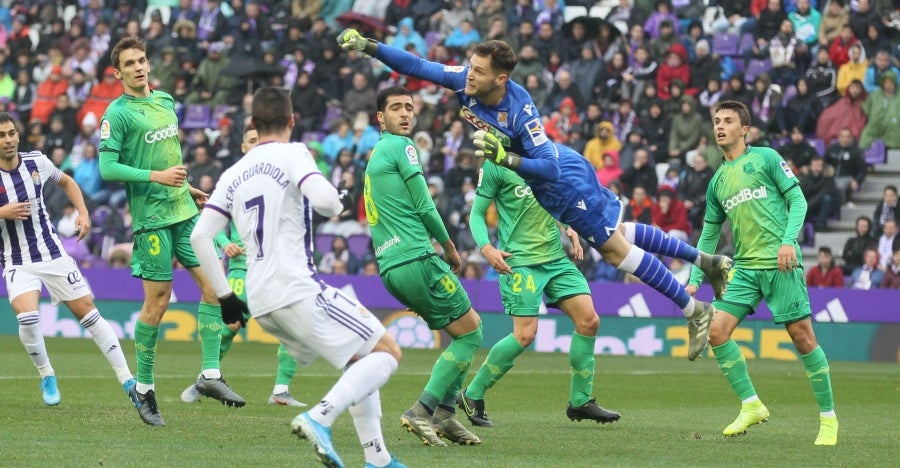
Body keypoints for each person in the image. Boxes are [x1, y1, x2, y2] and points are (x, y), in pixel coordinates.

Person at [337, 33, 733, 360]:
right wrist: (371, 47)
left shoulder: (521, 111)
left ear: (501, 79)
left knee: (613, 250)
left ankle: (694, 309)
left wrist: (505, 158)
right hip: (552, 186)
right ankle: (707, 260)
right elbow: (418, 66)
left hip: (563, 182)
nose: (467, 76)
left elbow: (550, 167)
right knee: (618, 232)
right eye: (470, 67)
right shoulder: (465, 80)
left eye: (478, 71)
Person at [190, 86, 406, 468]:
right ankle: (319, 417)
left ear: (253, 124)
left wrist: (225, 297)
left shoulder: (233, 173)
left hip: (259, 298)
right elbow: (326, 202)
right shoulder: (294, 153)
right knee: (387, 352)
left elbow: (200, 236)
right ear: (292, 121)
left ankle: (378, 458)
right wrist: (337, 197)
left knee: (360, 358)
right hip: (297, 288)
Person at [98, 37, 244, 427]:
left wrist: (185, 187)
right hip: (151, 221)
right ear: (118, 73)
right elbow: (107, 169)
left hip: (183, 210)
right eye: (130, 63)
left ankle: (211, 375)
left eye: (142, 60)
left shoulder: (165, 101)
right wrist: (157, 177)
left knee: (214, 287)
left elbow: (170, 158)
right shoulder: (118, 113)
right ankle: (143, 388)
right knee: (158, 304)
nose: (139, 67)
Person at [687, 100, 838, 445]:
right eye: (716, 120)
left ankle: (828, 419)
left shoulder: (767, 158)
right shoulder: (717, 182)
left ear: (745, 130)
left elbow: (798, 201)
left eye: (728, 120)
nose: (720, 126)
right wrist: (696, 278)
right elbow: (709, 235)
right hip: (745, 268)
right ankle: (751, 404)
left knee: (802, 338)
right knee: (717, 331)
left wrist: (788, 242)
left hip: (780, 262)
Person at [457, 149, 621, 428]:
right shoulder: (495, 165)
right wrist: (486, 248)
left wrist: (569, 226)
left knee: (589, 321)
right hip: (519, 262)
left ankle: (580, 401)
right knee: (525, 334)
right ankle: (472, 394)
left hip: (555, 258)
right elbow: (477, 214)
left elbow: (556, 197)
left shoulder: (543, 155)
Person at [364, 86, 483, 447]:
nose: (405, 114)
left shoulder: (376, 155)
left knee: (466, 330)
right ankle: (425, 410)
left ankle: (446, 415)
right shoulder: (403, 147)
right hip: (417, 257)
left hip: (391, 266)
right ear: (380, 118)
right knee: (472, 333)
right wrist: (450, 248)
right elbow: (425, 206)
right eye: (396, 108)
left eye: (409, 108)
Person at [0, 112, 139, 414]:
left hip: (53, 254)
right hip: (17, 260)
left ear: (18, 135)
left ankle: (128, 380)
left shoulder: (36, 161)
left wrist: (83, 213)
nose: (8, 140)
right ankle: (47, 375)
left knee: (89, 313)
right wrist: (3, 212)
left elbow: (67, 182)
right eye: (2, 135)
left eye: (11, 133)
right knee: (27, 317)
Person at [180, 125, 306, 408]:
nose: (257, 143)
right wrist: (225, 243)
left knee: (295, 327)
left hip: (275, 268)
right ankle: (207, 375)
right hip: (241, 269)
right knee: (232, 324)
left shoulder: (280, 181)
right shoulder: (234, 181)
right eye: (251, 140)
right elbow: (213, 223)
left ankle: (280, 391)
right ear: (243, 147)